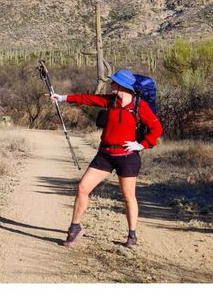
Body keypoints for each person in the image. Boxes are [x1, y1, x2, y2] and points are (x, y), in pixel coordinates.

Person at [50, 68, 162, 249]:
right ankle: (75, 228)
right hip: (105, 155)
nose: (111, 84)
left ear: (123, 86)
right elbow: (86, 99)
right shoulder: (111, 101)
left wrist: (141, 145)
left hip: (127, 157)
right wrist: (61, 98)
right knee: (82, 188)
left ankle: (132, 235)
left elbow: (156, 129)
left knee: (128, 197)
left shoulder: (138, 105)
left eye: (114, 82)